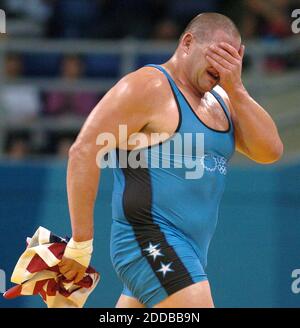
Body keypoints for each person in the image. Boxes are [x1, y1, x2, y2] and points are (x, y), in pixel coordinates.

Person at [58, 13, 283, 308]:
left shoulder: (223, 100)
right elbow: (84, 151)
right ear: (187, 43)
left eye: (232, 58)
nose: (222, 66)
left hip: (187, 253)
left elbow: (270, 151)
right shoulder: (148, 86)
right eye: (217, 54)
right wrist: (80, 242)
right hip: (148, 244)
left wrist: (237, 89)